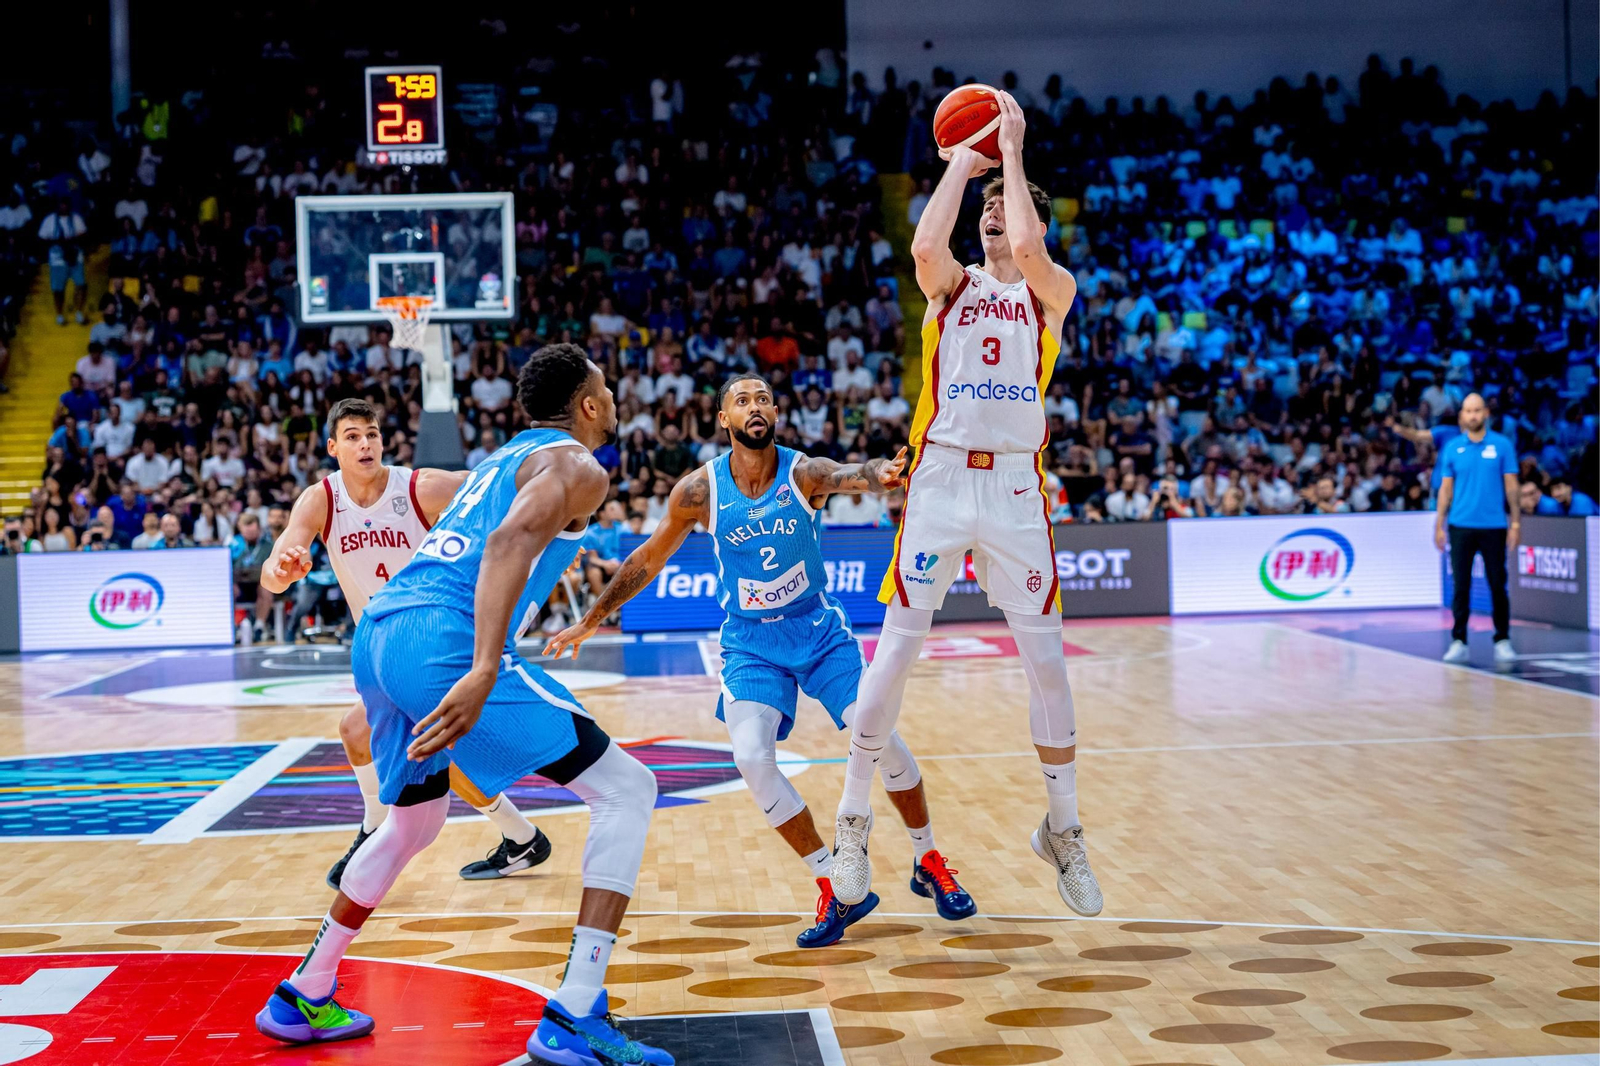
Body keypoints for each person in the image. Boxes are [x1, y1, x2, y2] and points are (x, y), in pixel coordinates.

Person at [255, 347, 673, 1066]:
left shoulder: (496, 462)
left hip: (379, 635)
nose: (611, 399)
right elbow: (510, 540)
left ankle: (304, 989)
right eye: (605, 390)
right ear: (590, 406)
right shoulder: (580, 467)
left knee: (412, 824)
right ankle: (576, 1013)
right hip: (442, 642)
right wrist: (484, 666)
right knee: (630, 790)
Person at [549, 374, 974, 949]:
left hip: (818, 633)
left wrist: (883, 474)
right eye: (741, 401)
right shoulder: (698, 492)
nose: (755, 407)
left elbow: (857, 475)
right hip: (750, 644)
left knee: (883, 741)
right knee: (750, 757)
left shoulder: (803, 474)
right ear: (724, 419)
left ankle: (928, 860)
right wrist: (593, 618)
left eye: (763, 398)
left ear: (775, 412)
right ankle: (833, 882)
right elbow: (648, 558)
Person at [831, 91, 1103, 918]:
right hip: (945, 479)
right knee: (895, 656)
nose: (993, 218)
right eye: (982, 210)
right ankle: (852, 818)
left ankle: (1064, 829)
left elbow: (1026, 239)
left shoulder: (1050, 290)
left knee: (1048, 666)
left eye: (1002, 209)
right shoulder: (952, 291)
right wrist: (958, 164)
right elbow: (922, 244)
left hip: (1018, 483)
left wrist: (1012, 155)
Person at [258, 398, 551, 887]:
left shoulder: (421, 486)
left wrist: (558, 526)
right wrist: (282, 569)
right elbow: (271, 579)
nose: (365, 443)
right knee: (366, 736)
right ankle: (517, 835)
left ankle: (378, 833)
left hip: (435, 634)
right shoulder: (320, 500)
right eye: (352, 436)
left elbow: (498, 489)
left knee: (423, 739)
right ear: (333, 447)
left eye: (371, 433)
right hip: (381, 647)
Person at [1435, 393, 1518, 664]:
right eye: (1468, 411)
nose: (1472, 415)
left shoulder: (1502, 446)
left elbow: (1511, 486)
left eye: (1477, 410)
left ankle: (1502, 639)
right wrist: (1439, 524)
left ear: (1486, 414)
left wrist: (1515, 521)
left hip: (1494, 526)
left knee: (1497, 585)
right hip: (1460, 526)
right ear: (1462, 416)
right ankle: (1459, 640)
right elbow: (1445, 490)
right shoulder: (1452, 448)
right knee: (1461, 586)